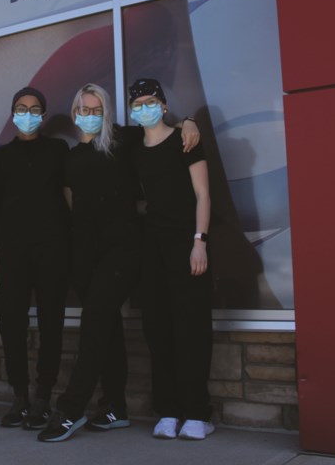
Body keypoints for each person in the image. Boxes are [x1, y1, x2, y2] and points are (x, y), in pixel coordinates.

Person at [38, 83, 200, 443]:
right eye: (83, 109)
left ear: (106, 112)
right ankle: (114, 408)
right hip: (84, 252)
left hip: (124, 249)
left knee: (95, 318)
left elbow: (161, 132)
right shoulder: (70, 157)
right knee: (106, 327)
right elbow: (72, 203)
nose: (89, 115)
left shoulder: (123, 141)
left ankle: (70, 408)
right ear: (75, 111)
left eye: (97, 109)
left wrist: (189, 121)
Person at [129, 78, 214, 441]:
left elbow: (203, 195)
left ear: (163, 105)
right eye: (138, 104)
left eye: (151, 101)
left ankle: (196, 413)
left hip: (187, 243)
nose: (145, 108)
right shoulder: (133, 145)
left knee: (191, 327)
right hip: (151, 246)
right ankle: (169, 411)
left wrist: (200, 241)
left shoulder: (186, 140)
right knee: (157, 329)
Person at [0, 87, 70, 430]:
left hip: (53, 249)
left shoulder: (58, 149)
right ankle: (19, 397)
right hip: (11, 251)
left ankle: (43, 398)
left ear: (44, 115)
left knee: (52, 323)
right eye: (21, 108)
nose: (28, 114)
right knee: (12, 324)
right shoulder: (2, 157)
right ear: (12, 113)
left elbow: (68, 198)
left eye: (35, 108)